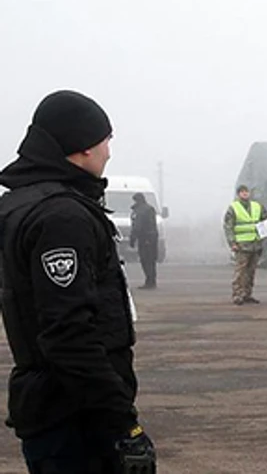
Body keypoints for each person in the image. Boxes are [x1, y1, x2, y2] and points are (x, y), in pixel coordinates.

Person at [0, 90, 155, 473]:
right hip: (74, 418)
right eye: (106, 140)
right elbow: (68, 333)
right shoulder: (61, 216)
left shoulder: (21, 203)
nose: (108, 151)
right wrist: (123, 424)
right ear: (83, 146)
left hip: (54, 406)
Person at [223, 184, 267, 305]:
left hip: (255, 244)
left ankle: (247, 294)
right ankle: (237, 294)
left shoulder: (257, 206)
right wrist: (232, 242)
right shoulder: (233, 208)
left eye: (246, 192)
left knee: (251, 271)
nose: (245, 194)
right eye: (242, 192)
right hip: (241, 245)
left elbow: (265, 219)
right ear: (239, 194)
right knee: (240, 271)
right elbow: (228, 227)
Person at [129, 192, 159, 289]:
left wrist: (132, 238)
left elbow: (137, 226)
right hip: (152, 237)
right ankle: (151, 281)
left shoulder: (141, 210)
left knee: (146, 260)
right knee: (151, 260)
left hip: (145, 238)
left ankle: (149, 281)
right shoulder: (149, 209)